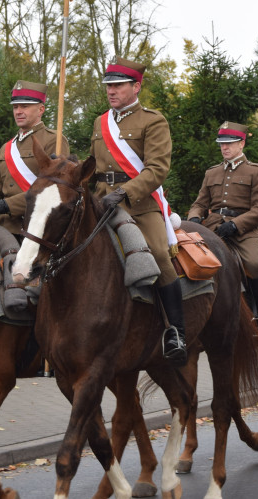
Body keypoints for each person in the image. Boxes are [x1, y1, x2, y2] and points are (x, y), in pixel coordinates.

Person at [91, 57, 186, 365]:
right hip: (101, 201)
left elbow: (157, 169)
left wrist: (124, 192)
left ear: (136, 86)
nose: (112, 91)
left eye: (118, 85)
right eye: (109, 86)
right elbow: (94, 169)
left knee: (158, 253)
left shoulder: (152, 120)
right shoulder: (100, 122)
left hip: (139, 204)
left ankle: (176, 332)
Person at [187, 121, 258, 338]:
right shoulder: (211, 173)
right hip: (213, 227)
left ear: (241, 143)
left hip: (244, 230)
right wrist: (194, 218)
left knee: (253, 263)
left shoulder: (256, 171)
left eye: (230, 144)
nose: (225, 148)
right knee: (191, 258)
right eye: (222, 144)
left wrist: (236, 225)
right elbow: (199, 202)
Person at [0, 81, 70, 235]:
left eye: (25, 106)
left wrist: (6, 205)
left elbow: (53, 187)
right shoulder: (6, 148)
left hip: (38, 228)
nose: (18, 111)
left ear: (41, 109)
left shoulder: (53, 140)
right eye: (15, 107)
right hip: (4, 228)